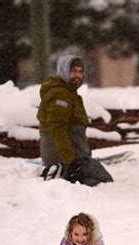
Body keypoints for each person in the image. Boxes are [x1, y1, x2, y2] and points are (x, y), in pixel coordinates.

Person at [36, 54, 113, 186]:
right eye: (73, 71)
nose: (77, 75)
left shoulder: (68, 92)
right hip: (66, 160)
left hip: (75, 158)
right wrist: (70, 162)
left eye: (80, 72)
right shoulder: (60, 95)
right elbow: (57, 130)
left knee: (103, 179)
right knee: (103, 181)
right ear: (63, 71)